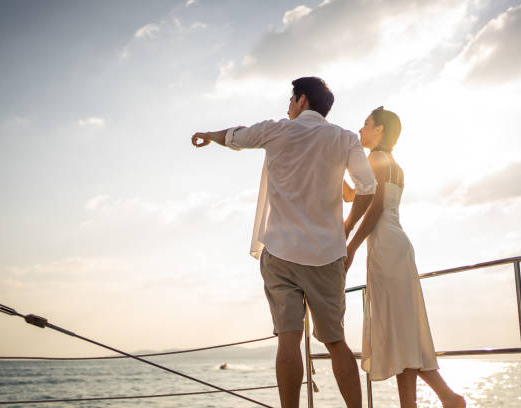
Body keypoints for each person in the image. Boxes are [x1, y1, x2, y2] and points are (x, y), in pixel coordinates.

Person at [191, 77, 377, 408]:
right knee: (336, 342)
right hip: (327, 255)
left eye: (291, 99)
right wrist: (346, 229)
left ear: (302, 100)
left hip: (280, 253)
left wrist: (208, 135)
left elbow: (235, 136)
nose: (288, 106)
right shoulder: (345, 138)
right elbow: (366, 187)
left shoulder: (277, 130)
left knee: (288, 340)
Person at [343, 107, 466, 408]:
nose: (361, 129)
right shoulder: (393, 164)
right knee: (403, 333)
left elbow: (376, 207)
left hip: (385, 247)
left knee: (400, 333)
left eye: (366, 124)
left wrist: (352, 246)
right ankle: (448, 398)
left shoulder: (377, 159)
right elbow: (353, 196)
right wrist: (336, 169)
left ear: (380, 130)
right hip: (397, 246)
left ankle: (448, 398)